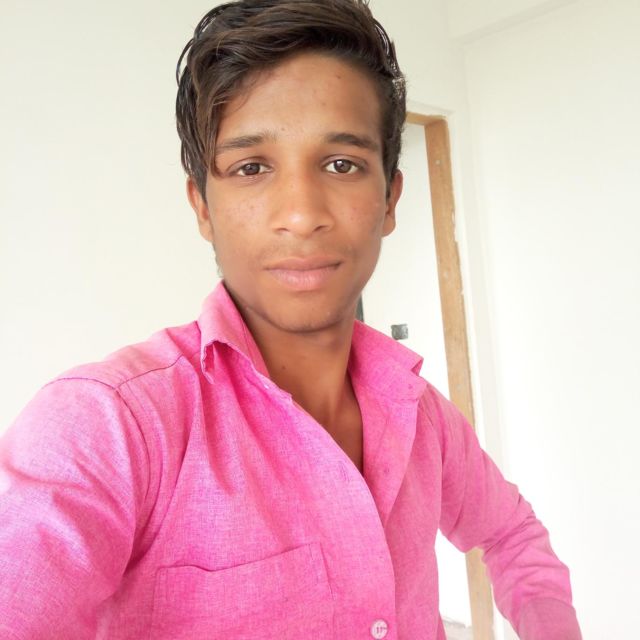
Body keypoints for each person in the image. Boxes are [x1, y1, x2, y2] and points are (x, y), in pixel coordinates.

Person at [0, 1, 582, 639]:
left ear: (390, 198)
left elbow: (512, 534)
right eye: (251, 168)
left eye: (341, 164)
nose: (302, 215)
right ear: (202, 206)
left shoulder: (422, 415)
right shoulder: (109, 426)